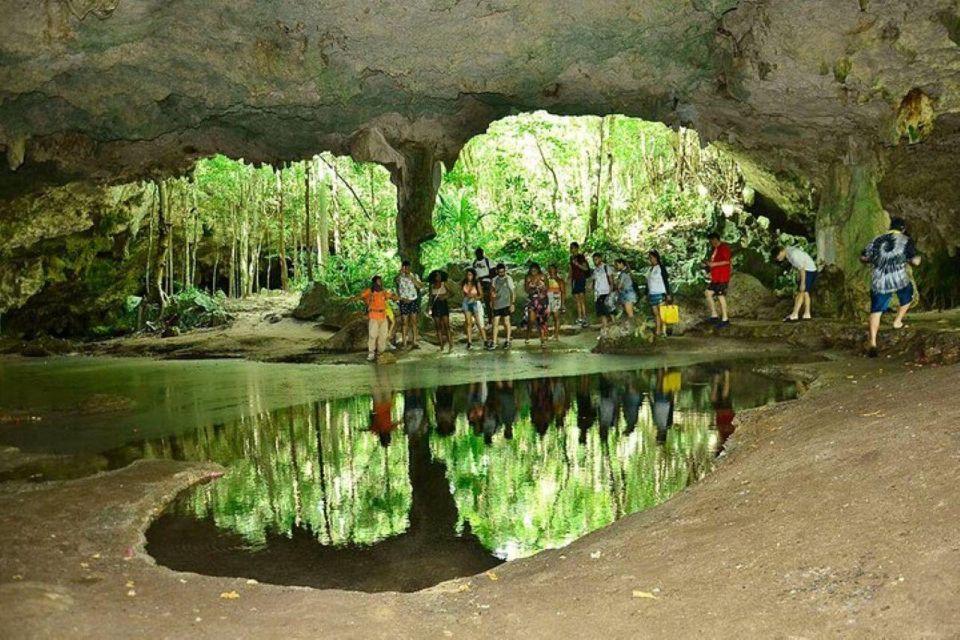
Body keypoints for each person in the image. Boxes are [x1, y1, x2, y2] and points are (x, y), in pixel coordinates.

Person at [860, 217, 921, 358]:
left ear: (890, 227)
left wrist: (874, 260)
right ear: (903, 229)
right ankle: (897, 322)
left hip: (879, 280)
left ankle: (873, 342)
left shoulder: (876, 239)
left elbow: (863, 257)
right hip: (898, 278)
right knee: (908, 296)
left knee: (876, 310)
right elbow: (915, 261)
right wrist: (914, 260)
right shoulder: (906, 240)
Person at [353, 275, 399, 362]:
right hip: (373, 316)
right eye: (378, 281)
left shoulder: (383, 292)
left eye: (380, 281)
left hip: (383, 316)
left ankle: (381, 352)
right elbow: (361, 296)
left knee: (383, 335)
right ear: (374, 283)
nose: (380, 283)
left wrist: (400, 298)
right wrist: (353, 299)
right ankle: (371, 353)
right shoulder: (369, 291)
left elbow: (392, 296)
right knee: (372, 335)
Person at [772, 245, 818, 322]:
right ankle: (807, 314)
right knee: (805, 293)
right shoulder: (788, 252)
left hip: (808, 270)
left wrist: (802, 283)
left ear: (781, 252)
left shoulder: (793, 255)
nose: (778, 259)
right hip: (808, 270)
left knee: (801, 292)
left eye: (778, 257)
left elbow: (802, 268)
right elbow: (799, 266)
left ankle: (795, 314)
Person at [703, 232, 732, 327]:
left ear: (715, 239)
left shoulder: (723, 248)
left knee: (721, 296)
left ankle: (725, 318)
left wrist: (714, 264)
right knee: (708, 293)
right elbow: (714, 262)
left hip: (722, 277)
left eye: (711, 241)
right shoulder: (715, 249)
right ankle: (714, 315)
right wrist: (707, 265)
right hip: (716, 277)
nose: (711, 243)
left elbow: (727, 261)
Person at [395, 260, 424, 349]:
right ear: (402, 268)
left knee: (414, 322)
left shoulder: (414, 276)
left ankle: (415, 342)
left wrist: (413, 279)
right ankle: (404, 343)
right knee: (404, 323)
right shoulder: (400, 277)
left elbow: (420, 286)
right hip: (404, 301)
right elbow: (396, 280)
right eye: (405, 267)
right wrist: (400, 273)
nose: (406, 269)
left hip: (413, 301)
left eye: (408, 267)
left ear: (410, 267)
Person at [461, 268, 491, 350]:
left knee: (479, 323)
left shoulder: (476, 283)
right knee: (468, 323)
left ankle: (485, 341)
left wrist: (475, 298)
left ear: (473, 275)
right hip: (466, 302)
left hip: (475, 302)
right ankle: (469, 342)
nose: (468, 276)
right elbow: (463, 293)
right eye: (467, 275)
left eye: (470, 275)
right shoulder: (464, 283)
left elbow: (481, 295)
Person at [647, 250, 673, 338]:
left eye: (651, 257)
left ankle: (664, 331)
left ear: (656, 257)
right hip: (652, 294)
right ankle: (658, 331)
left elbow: (666, 280)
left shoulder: (661, 268)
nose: (650, 259)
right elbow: (649, 282)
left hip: (660, 293)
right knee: (656, 314)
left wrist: (668, 293)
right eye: (649, 258)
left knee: (662, 313)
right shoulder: (650, 269)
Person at [490, 263, 515, 349]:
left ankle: (508, 340)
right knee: (495, 323)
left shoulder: (508, 279)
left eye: (503, 272)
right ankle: (494, 342)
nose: (501, 273)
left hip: (506, 304)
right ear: (497, 271)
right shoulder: (494, 280)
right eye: (499, 272)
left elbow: (512, 292)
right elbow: (492, 291)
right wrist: (492, 301)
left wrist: (512, 304)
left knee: (506, 322)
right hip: (497, 304)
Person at [427, 270, 454, 353]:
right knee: (437, 326)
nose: (438, 277)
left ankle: (450, 345)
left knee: (447, 326)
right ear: (434, 277)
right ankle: (441, 345)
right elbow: (430, 298)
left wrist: (445, 296)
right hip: (435, 306)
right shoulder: (431, 286)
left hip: (443, 305)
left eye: (439, 276)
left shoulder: (444, 284)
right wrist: (429, 307)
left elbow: (452, 293)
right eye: (437, 276)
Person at [524, 262, 550, 346]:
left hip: (542, 301)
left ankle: (542, 340)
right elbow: (526, 290)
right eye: (532, 270)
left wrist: (541, 286)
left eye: (535, 270)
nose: (533, 272)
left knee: (541, 320)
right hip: (532, 300)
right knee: (531, 320)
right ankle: (528, 336)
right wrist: (531, 286)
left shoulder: (543, 276)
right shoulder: (528, 277)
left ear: (538, 270)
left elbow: (547, 288)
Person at [591, 253, 616, 333]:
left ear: (600, 259)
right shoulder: (595, 270)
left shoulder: (606, 267)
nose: (595, 261)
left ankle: (614, 326)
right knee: (601, 312)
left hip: (606, 292)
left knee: (610, 311)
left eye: (596, 259)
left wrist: (611, 293)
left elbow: (611, 281)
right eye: (594, 260)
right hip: (598, 294)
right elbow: (594, 281)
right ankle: (605, 328)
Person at [569, 242, 590, 326]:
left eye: (573, 247)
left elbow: (585, 268)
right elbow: (571, 269)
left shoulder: (581, 257)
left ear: (577, 248)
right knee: (577, 300)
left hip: (581, 279)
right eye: (571, 248)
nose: (572, 249)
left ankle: (585, 317)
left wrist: (577, 264)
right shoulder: (571, 258)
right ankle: (580, 317)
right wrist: (569, 278)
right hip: (574, 280)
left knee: (582, 299)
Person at [473, 247, 495, 326]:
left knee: (487, 302)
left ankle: (490, 321)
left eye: (480, 253)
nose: (478, 254)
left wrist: (483, 277)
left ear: (482, 253)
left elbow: (493, 273)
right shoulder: (475, 262)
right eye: (477, 253)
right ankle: (478, 322)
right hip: (477, 284)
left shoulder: (488, 261)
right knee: (476, 302)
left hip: (486, 283)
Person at [613, 258, 638, 326]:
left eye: (617, 264)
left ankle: (633, 327)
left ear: (621, 263)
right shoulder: (627, 272)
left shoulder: (624, 273)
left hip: (628, 294)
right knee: (629, 312)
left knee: (630, 313)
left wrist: (616, 286)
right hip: (628, 293)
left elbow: (620, 285)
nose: (616, 266)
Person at [546, 264, 566, 341]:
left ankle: (556, 335)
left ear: (556, 270)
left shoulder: (560, 281)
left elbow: (563, 292)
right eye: (549, 269)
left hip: (556, 299)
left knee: (556, 317)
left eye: (552, 269)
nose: (551, 271)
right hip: (548, 299)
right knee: (546, 317)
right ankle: (546, 334)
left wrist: (563, 304)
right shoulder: (547, 280)